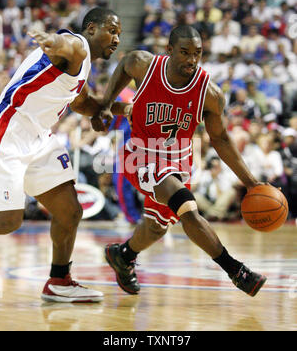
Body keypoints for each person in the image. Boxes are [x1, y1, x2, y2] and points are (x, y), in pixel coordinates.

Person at [93, 25, 267, 297]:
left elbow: (220, 139)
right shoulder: (145, 65)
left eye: (197, 53)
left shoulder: (209, 93)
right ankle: (236, 271)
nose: (191, 60)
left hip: (179, 161)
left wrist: (252, 183)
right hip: (141, 153)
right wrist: (106, 102)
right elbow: (125, 64)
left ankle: (123, 255)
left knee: (155, 227)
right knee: (187, 208)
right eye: (184, 53)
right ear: (169, 50)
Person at [0, 7, 129, 303]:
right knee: (6, 221)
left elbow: (82, 104)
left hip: (39, 137)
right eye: (112, 30)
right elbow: (65, 45)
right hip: (10, 129)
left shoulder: (81, 69)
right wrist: (51, 41)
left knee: (70, 210)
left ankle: (59, 280)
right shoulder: (77, 46)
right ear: (92, 28)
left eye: (119, 33)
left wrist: (123, 109)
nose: (117, 38)